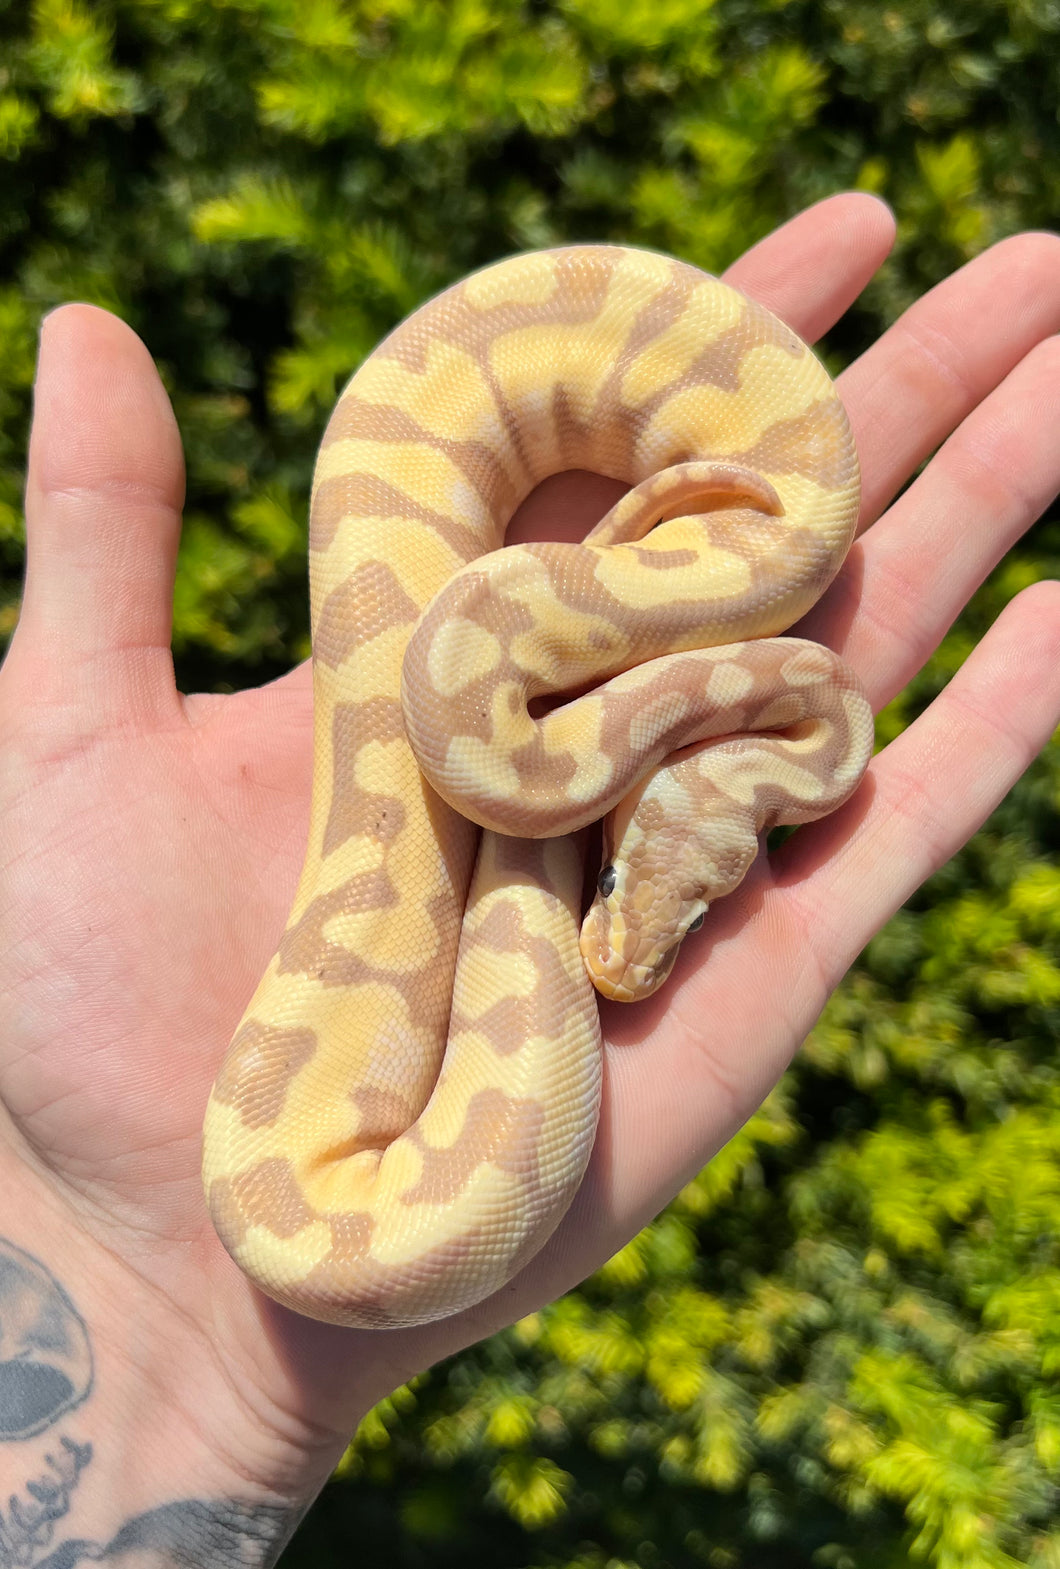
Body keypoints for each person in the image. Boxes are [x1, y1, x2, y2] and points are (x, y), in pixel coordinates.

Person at [1, 192, 1058, 1564]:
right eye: (635, 893)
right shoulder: (690, 724)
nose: (620, 947)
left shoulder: (715, 731)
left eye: (636, 897)